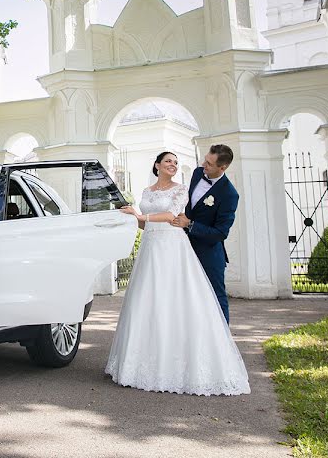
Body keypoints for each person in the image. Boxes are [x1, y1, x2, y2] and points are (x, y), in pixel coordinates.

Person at [105, 151, 249, 395]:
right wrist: (132, 217)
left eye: (175, 161)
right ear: (157, 164)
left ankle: (217, 346)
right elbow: (145, 224)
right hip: (152, 250)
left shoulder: (185, 190)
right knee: (148, 301)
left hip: (177, 247)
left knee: (196, 299)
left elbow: (172, 215)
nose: (173, 164)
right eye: (168, 161)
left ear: (222, 166)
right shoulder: (148, 191)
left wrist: (144, 216)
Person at [171, 145, 239, 324]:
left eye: (209, 163)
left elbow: (220, 233)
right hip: (183, 246)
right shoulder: (197, 173)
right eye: (205, 160)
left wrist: (190, 225)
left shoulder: (229, 194)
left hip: (208, 253)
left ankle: (223, 341)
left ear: (222, 168)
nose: (204, 165)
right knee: (184, 294)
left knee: (216, 296)